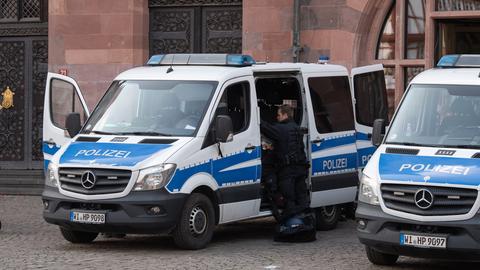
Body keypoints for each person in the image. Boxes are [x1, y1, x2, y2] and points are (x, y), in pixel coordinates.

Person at [260, 104, 309, 221]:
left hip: (288, 172)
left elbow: (265, 128)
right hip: (301, 170)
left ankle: (293, 228)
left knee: (289, 200)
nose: (277, 118)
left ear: (285, 115)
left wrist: (256, 117)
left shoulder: (281, 129)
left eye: (279, 115)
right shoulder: (297, 128)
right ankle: (306, 225)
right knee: (302, 199)